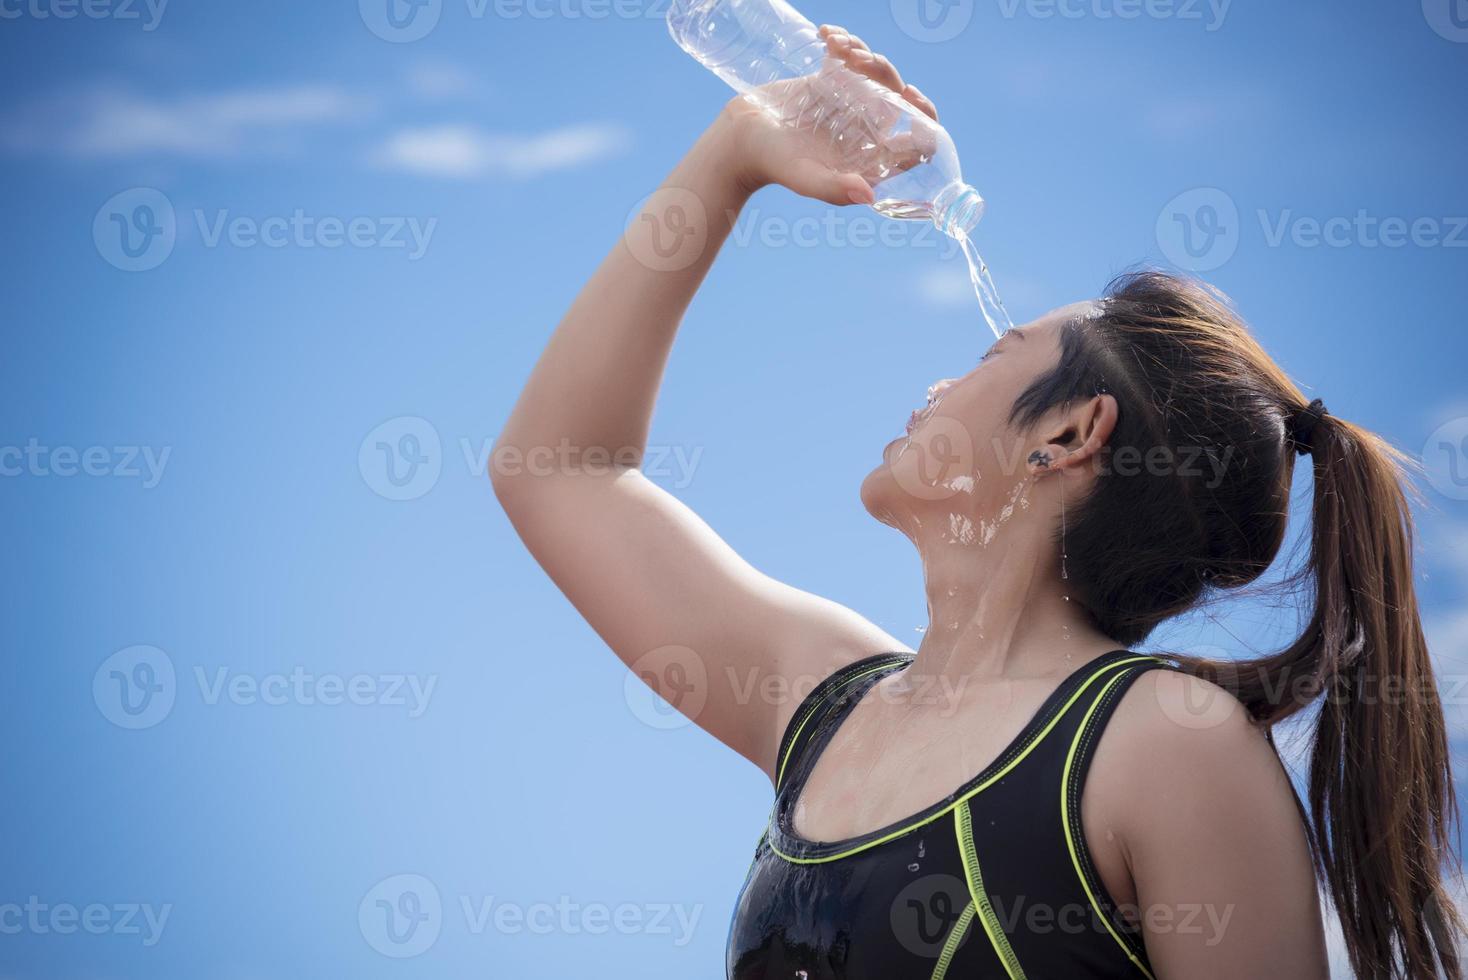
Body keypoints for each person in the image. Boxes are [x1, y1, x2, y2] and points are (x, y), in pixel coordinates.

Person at [491, 25, 1460, 980]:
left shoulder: (1166, 745)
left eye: (993, 355)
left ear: (1071, 434)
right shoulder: (823, 698)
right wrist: (734, 151)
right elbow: (553, 466)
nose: (932, 386)